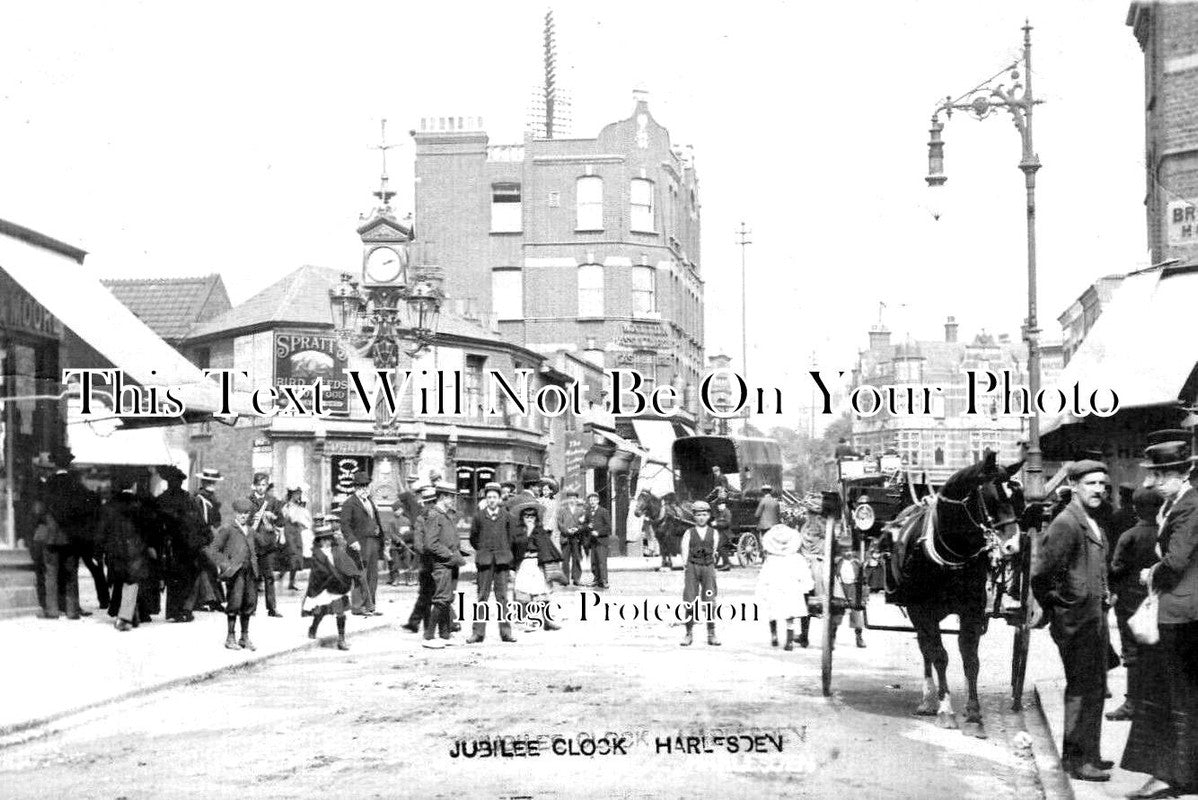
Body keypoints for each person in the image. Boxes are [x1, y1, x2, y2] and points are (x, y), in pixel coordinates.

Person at [1121, 436, 1198, 799]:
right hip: (1181, 610)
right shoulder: (1177, 503)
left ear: (1179, 473)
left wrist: (1150, 574)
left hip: (1180, 614)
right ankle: (1180, 774)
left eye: (1158, 475)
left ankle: (1172, 777)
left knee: (1171, 698)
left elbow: (1178, 561)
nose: (1151, 483)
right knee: (1178, 697)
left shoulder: (1190, 505)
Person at [1030, 459, 1113, 782]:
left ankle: (1089, 754)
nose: (1099, 490)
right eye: (1091, 484)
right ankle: (1077, 762)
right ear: (1074, 486)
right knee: (1081, 688)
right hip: (1076, 620)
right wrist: (1061, 603)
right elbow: (1041, 574)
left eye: (1102, 485)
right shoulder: (1067, 523)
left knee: (1095, 686)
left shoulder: (1090, 522)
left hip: (1094, 617)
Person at [1106, 487, 1163, 722]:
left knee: (1131, 651)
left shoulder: (1129, 535)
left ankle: (1131, 703)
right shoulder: (1164, 533)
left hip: (1130, 601)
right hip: (1156, 599)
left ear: (1136, 508)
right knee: (1154, 650)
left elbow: (1116, 568)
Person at [35, 447, 99, 620]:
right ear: (69, 464)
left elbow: (39, 510)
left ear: (55, 464)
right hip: (71, 536)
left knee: (51, 572)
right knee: (71, 574)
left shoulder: (48, 484)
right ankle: (72, 610)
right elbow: (88, 506)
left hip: (51, 535)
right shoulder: (76, 484)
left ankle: (52, 610)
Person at [99, 471, 161, 631]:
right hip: (136, 549)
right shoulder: (140, 505)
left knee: (117, 580)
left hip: (114, 550)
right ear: (133, 486)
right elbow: (149, 529)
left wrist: (100, 548)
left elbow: (102, 530)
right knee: (131, 582)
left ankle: (128, 614)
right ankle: (125, 617)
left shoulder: (109, 505)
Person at [467, 484, 520, 643]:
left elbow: (512, 539)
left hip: (502, 562)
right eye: (489, 497)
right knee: (482, 596)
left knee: (502, 597)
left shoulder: (507, 516)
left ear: (499, 499)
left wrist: (505, 556)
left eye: (494, 497)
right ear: (485, 499)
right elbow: (473, 538)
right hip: (484, 561)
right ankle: (478, 633)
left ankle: (506, 632)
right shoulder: (479, 517)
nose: (491, 500)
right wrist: (484, 550)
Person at [756, 509, 814, 650]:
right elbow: (805, 576)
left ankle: (774, 635)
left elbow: (764, 578)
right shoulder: (797, 558)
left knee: (773, 611)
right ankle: (789, 641)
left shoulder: (771, 560)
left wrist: (762, 591)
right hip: (791, 591)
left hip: (775, 590)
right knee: (790, 615)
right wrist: (807, 586)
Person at [157, 465, 207, 623]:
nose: (175, 484)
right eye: (173, 481)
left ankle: (177, 610)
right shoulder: (184, 499)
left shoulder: (167, 499)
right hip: (179, 545)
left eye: (177, 481)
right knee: (182, 578)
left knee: (178, 578)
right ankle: (182, 610)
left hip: (179, 544)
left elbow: (199, 522)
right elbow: (199, 522)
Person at [303, 516, 359, 651]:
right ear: (319, 541)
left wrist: (354, 574)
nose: (326, 541)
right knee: (321, 611)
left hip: (337, 585)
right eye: (323, 539)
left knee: (340, 612)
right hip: (322, 586)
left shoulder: (337, 551)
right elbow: (318, 572)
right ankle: (313, 627)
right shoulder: (316, 554)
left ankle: (341, 639)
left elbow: (347, 563)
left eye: (328, 538)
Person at [422, 482, 466, 649]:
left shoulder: (444, 515)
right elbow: (430, 544)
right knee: (441, 599)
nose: (452, 500)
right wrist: (448, 554)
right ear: (442, 497)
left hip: (449, 563)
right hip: (441, 564)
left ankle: (445, 634)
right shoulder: (435, 515)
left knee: (447, 599)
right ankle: (428, 636)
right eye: (450, 497)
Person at [212, 498, 259, 650]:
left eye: (246, 513)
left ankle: (244, 637)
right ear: (235, 513)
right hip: (235, 573)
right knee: (235, 602)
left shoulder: (251, 531)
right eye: (240, 513)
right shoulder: (228, 529)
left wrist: (271, 531)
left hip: (250, 571)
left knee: (249, 602)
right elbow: (213, 549)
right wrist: (225, 565)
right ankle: (230, 637)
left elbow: (263, 545)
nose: (243, 516)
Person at [339, 471, 385, 617]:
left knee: (373, 575)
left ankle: (370, 606)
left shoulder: (370, 501)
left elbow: (374, 519)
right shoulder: (349, 503)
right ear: (355, 487)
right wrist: (352, 541)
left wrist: (377, 529)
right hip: (359, 544)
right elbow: (345, 526)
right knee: (360, 576)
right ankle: (358, 607)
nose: (364, 488)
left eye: (366, 485)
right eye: (361, 486)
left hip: (373, 542)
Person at [512, 502, 563, 631]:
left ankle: (547, 621)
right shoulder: (518, 531)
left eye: (532, 516)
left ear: (536, 517)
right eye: (527, 516)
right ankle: (524, 621)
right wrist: (527, 533)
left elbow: (547, 547)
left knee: (542, 592)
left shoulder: (540, 530)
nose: (529, 518)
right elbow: (515, 546)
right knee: (524, 593)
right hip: (524, 564)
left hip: (537, 564)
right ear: (522, 517)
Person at [679, 501, 722, 647]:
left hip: (708, 567)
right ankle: (688, 633)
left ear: (709, 516)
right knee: (690, 599)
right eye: (698, 515)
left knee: (709, 600)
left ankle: (711, 633)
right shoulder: (688, 533)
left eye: (704, 514)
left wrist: (710, 566)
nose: (701, 518)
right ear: (694, 517)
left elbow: (714, 548)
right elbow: (684, 551)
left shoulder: (714, 533)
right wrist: (688, 566)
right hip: (692, 567)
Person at [246, 473, 284, 618]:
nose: (261, 488)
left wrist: (272, 518)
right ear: (254, 485)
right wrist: (252, 519)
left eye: (264, 485)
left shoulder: (273, 502)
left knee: (269, 577)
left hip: (268, 543)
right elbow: (243, 521)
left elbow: (280, 521)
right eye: (259, 485)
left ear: (267, 486)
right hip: (254, 543)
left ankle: (272, 608)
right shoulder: (248, 500)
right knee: (254, 577)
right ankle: (251, 608)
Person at [402, 485, 437, 634]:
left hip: (436, 560)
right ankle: (418, 623)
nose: (430, 506)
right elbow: (418, 542)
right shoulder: (422, 519)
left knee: (432, 593)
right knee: (427, 593)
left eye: (432, 502)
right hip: (428, 560)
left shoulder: (439, 518)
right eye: (428, 503)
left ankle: (416, 623)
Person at [193, 468, 226, 612]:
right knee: (209, 567)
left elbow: (216, 520)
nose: (212, 484)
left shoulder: (211, 498)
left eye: (213, 482)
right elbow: (202, 522)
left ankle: (211, 600)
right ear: (203, 482)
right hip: (202, 537)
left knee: (209, 569)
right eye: (209, 481)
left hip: (209, 537)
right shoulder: (200, 498)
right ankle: (210, 599)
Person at [279, 486, 310, 591]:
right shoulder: (287, 506)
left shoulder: (299, 506)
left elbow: (303, 519)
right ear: (292, 494)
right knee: (292, 554)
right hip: (289, 532)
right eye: (297, 494)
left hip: (297, 533)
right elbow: (288, 518)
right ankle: (283, 573)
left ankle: (291, 582)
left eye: (299, 494)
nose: (299, 496)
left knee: (297, 556)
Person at [556, 489, 588, 586]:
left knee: (577, 558)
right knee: (565, 560)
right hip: (566, 537)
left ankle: (576, 578)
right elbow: (559, 523)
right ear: (567, 499)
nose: (572, 500)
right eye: (570, 498)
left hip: (576, 538)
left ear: (576, 499)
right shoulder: (562, 510)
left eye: (574, 498)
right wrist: (566, 530)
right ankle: (565, 579)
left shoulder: (581, 510)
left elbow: (584, 524)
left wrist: (577, 529)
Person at [585, 492, 612, 590]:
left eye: (594, 500)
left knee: (601, 561)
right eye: (590, 500)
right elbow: (585, 525)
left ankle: (604, 581)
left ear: (598, 501)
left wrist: (599, 533)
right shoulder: (588, 512)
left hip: (601, 540)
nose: (592, 502)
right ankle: (596, 579)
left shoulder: (603, 511)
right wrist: (587, 526)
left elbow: (608, 527)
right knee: (594, 562)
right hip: (592, 541)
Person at [385, 505, 413, 586]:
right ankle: (395, 579)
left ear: (402, 510)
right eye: (395, 510)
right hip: (395, 546)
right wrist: (398, 540)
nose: (397, 511)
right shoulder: (391, 521)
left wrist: (406, 540)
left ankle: (409, 579)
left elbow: (409, 532)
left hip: (406, 546)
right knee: (395, 564)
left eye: (399, 509)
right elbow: (391, 533)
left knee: (407, 563)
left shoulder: (407, 520)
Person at [712, 493, 735, 571]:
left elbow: (727, 523)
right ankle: (726, 563)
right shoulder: (722, 512)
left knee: (721, 547)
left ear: (723, 505)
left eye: (719, 505)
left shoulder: (727, 512)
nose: (718, 507)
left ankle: (726, 564)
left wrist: (716, 524)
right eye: (718, 505)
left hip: (726, 533)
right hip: (721, 532)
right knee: (719, 546)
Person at [539, 479, 560, 551]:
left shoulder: (554, 502)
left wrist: (549, 526)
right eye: (543, 490)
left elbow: (554, 516)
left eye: (547, 490)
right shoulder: (539, 501)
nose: (545, 492)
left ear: (551, 491)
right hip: (540, 525)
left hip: (550, 527)